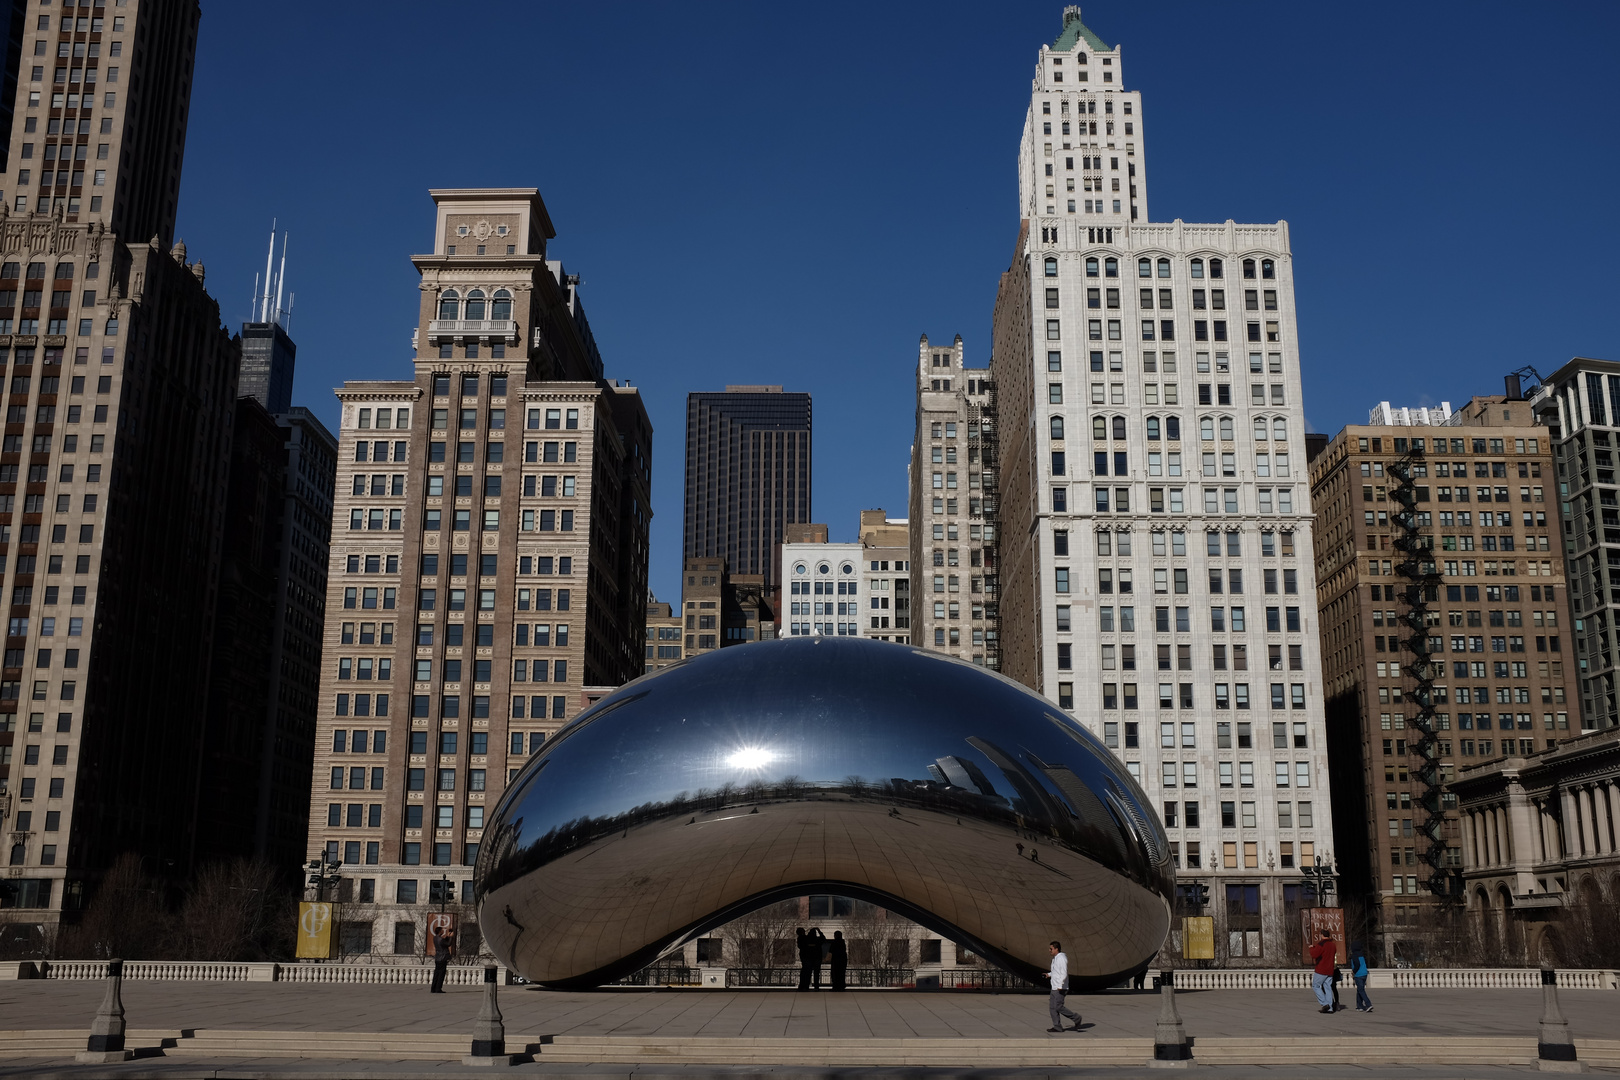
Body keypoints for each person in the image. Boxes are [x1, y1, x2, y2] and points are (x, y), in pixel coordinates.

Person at [1045, 941, 1082, 1033]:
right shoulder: (1055, 959)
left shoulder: (1061, 958)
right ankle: (1057, 1026)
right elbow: (1056, 972)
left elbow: (1064, 972)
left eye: (1051, 949)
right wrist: (1049, 975)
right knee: (1052, 1008)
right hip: (1054, 987)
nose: (1049, 950)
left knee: (1058, 1007)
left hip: (1060, 988)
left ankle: (1076, 1018)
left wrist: (1061, 984)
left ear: (1056, 949)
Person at [1308, 933, 1337, 1013]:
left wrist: (1311, 948)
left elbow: (1314, 954)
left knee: (1316, 986)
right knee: (1328, 987)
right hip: (1330, 969)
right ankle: (1330, 1007)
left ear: (1322, 935)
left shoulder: (1321, 944)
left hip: (1321, 969)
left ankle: (1325, 1004)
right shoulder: (1332, 945)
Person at [429, 924, 453, 994]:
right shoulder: (440, 939)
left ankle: (433, 988)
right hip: (442, 958)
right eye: (442, 930)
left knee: (436, 973)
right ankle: (438, 988)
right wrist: (451, 937)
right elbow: (448, 944)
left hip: (437, 958)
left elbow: (443, 942)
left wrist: (448, 936)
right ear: (440, 931)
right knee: (441, 974)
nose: (443, 931)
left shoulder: (435, 938)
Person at [1350, 942, 1373, 1012]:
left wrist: (1354, 971)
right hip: (1364, 973)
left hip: (1358, 974)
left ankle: (1368, 1004)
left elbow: (1357, 964)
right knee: (1359, 990)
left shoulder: (1354, 955)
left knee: (1361, 990)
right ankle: (1359, 1006)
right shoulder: (1362, 955)